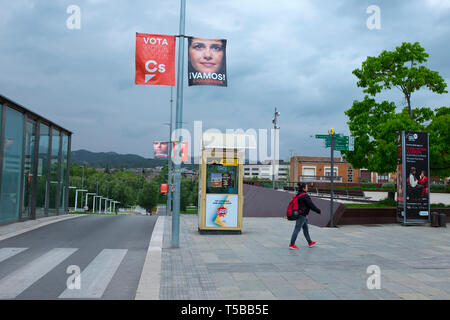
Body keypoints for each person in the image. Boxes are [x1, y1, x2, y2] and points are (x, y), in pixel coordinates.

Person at [289, 183, 321, 250]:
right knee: (297, 229)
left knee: (305, 228)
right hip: (302, 215)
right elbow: (311, 205)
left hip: (299, 214)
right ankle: (291, 245)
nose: (307, 188)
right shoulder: (305, 196)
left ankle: (310, 242)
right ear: (303, 188)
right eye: (306, 187)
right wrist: (318, 210)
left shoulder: (298, 194)